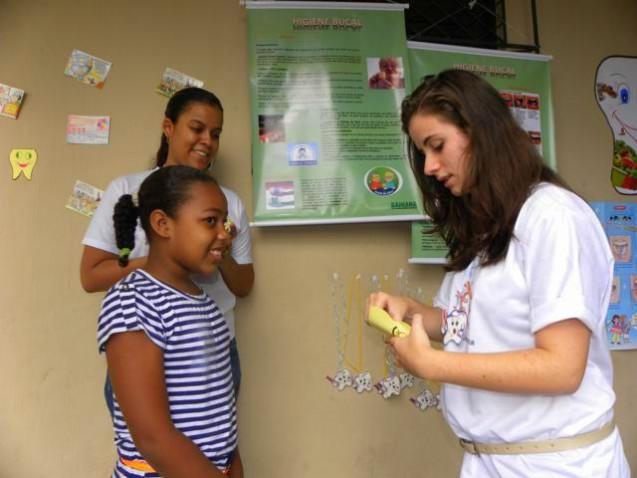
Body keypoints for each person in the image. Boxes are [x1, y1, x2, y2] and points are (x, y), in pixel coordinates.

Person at [368, 69, 630, 477]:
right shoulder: (489, 225)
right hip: (490, 459)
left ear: (480, 131)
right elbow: (468, 325)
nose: (431, 167)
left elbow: (561, 367)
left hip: (555, 464)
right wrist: (413, 313)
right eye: (423, 154)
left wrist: (433, 366)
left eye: (437, 146)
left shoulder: (551, 217)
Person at [80, 87, 254, 410]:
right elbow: (90, 276)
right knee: (147, 451)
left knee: (215, 445)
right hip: (145, 351)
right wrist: (164, 261)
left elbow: (244, 285)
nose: (207, 141)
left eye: (215, 134)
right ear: (168, 128)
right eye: (197, 128)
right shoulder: (129, 190)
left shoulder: (230, 202)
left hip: (214, 350)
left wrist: (221, 252)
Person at [98, 165, 242, 476]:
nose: (224, 233)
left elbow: (223, 419)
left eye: (225, 222)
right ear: (163, 224)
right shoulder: (133, 303)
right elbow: (155, 439)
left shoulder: (203, 303)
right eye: (210, 221)